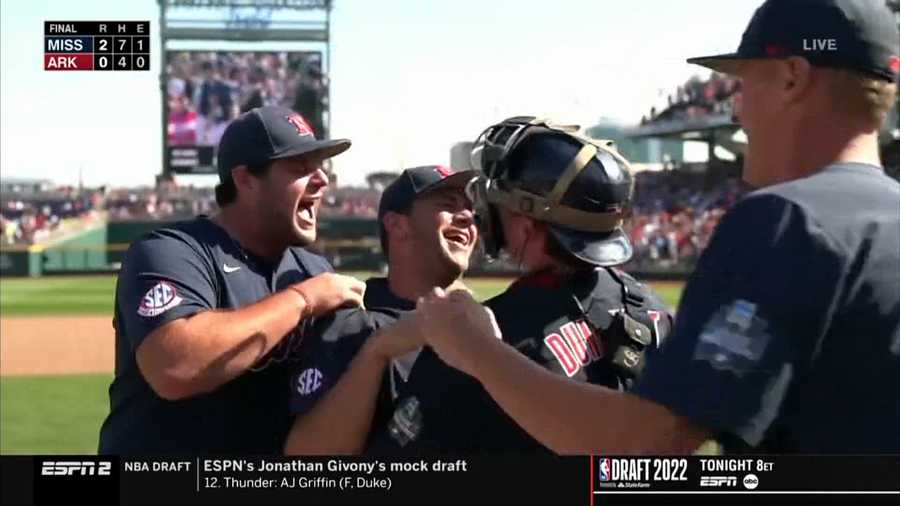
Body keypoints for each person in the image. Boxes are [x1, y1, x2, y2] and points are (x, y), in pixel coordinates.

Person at [413, 0, 900, 454]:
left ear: (793, 77)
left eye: (746, 82)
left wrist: (475, 347)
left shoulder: (786, 218)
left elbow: (649, 441)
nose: (737, 109)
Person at [98, 106, 366, 454]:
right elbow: (176, 366)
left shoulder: (315, 270)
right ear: (245, 179)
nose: (322, 179)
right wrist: (303, 300)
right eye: (300, 166)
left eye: (321, 166)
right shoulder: (172, 252)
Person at [282, 165, 478, 454]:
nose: (467, 217)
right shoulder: (352, 323)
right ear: (397, 225)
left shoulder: (481, 323)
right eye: (448, 205)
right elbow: (306, 457)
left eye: (471, 210)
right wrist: (376, 352)